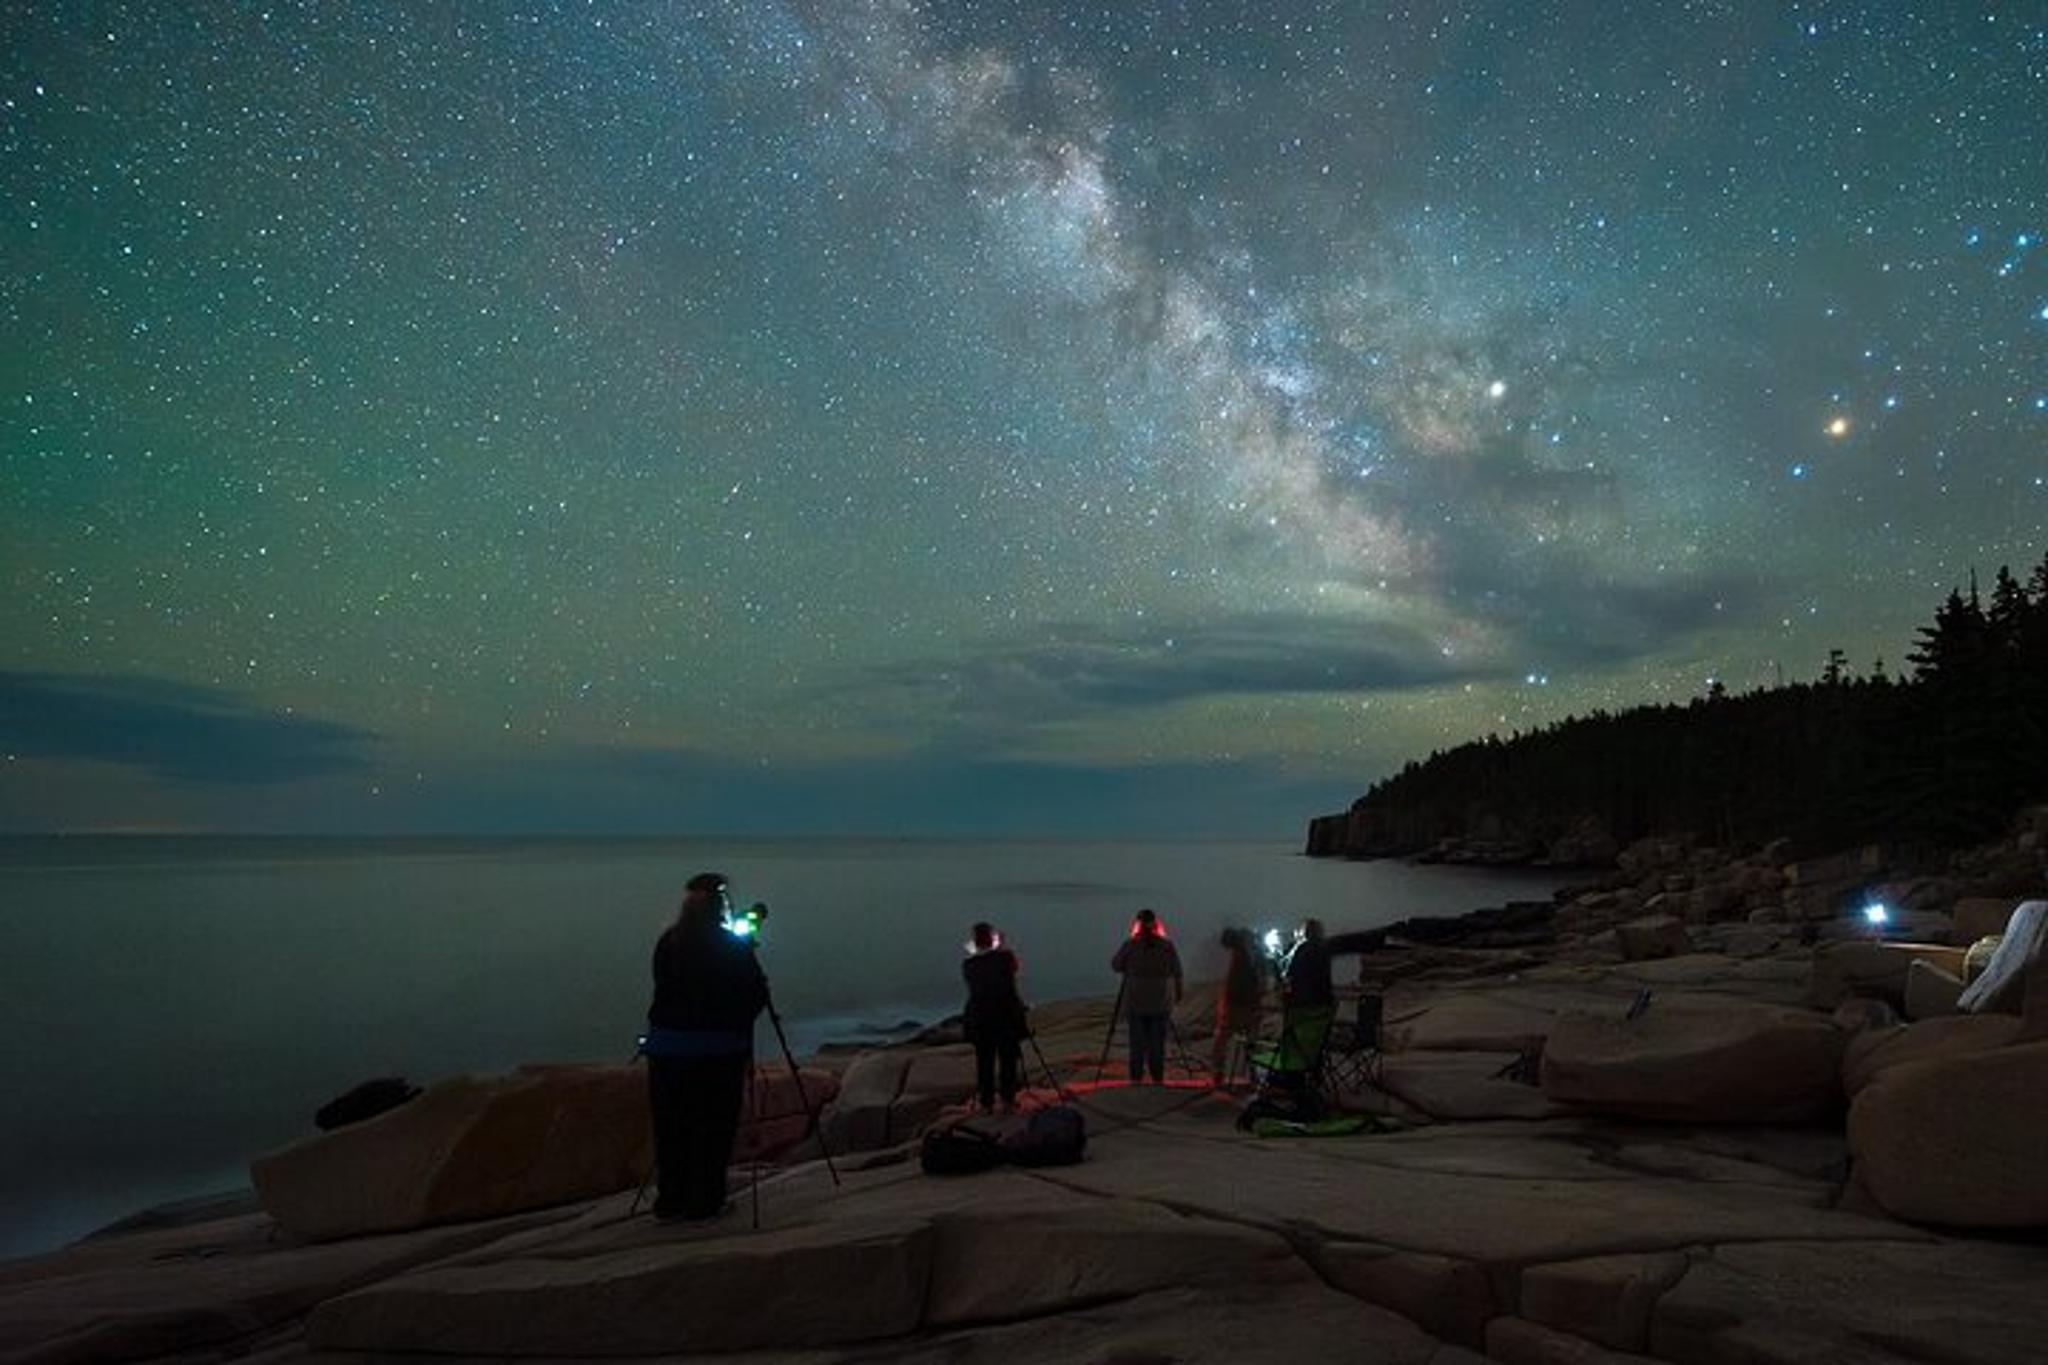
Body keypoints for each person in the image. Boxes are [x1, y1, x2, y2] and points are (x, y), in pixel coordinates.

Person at [642, 872, 769, 1222]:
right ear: (721, 907)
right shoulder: (731, 946)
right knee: (712, 1127)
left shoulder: (669, 942)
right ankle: (705, 1202)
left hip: (667, 1049)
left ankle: (670, 1200)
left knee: (671, 1127)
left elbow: (662, 986)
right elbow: (756, 994)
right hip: (717, 1051)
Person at [1110, 909, 1183, 1084]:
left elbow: (1116, 965)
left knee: (1137, 1044)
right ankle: (1157, 1078)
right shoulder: (1167, 946)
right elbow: (1177, 972)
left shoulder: (1131, 944)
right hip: (1160, 1003)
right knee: (1157, 1044)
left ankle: (1136, 1079)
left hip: (1136, 1003)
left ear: (1138, 924)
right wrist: (1178, 994)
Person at [961, 922, 1028, 1113]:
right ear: (992, 939)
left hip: (980, 1018)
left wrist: (979, 950)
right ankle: (1008, 1099)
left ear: (975, 941)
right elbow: (1014, 970)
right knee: (1007, 1059)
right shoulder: (1005, 959)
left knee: (984, 1061)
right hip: (1005, 1016)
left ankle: (986, 1102)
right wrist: (1001, 947)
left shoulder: (969, 964)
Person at [1211, 927, 1263, 1088]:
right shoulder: (1253, 953)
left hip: (1237, 1005)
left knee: (1221, 1040)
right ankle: (1252, 1073)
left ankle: (1219, 1072)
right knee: (1251, 1042)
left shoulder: (1242, 953)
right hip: (1249, 1004)